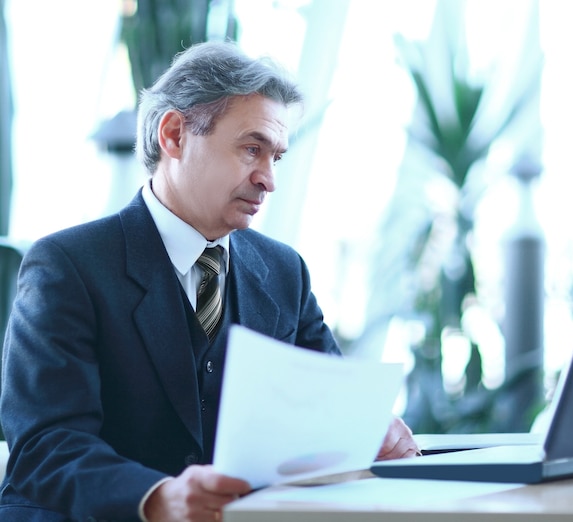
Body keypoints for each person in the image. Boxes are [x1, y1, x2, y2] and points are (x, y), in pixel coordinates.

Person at [0, 41, 419, 521]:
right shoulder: (67, 266)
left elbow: (327, 411)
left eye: (276, 157)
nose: (268, 179)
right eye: (251, 149)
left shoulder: (284, 272)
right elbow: (44, 446)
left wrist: (365, 431)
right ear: (175, 135)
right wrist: (156, 498)